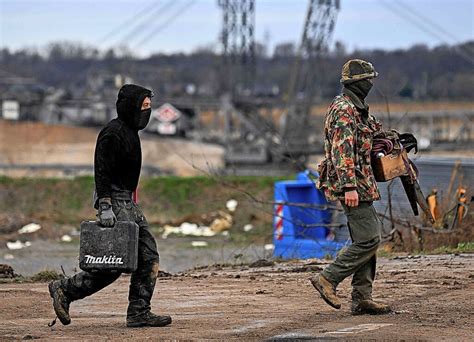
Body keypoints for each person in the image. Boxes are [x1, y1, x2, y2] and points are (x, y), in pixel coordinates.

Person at [48, 84, 172, 328]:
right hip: (114, 201)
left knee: (146, 257)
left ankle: (138, 311)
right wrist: (105, 205)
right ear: (130, 106)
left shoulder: (130, 132)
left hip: (127, 201)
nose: (147, 111)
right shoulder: (112, 133)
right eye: (143, 106)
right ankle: (65, 289)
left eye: (149, 107)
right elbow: (101, 171)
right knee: (113, 263)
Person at [311, 59, 393, 315]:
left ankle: (361, 297)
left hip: (361, 181)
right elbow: (342, 150)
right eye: (369, 79)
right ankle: (328, 278)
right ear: (359, 83)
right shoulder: (344, 110)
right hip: (352, 183)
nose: (371, 83)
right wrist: (349, 187)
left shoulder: (358, 109)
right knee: (369, 238)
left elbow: (368, 136)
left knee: (365, 237)